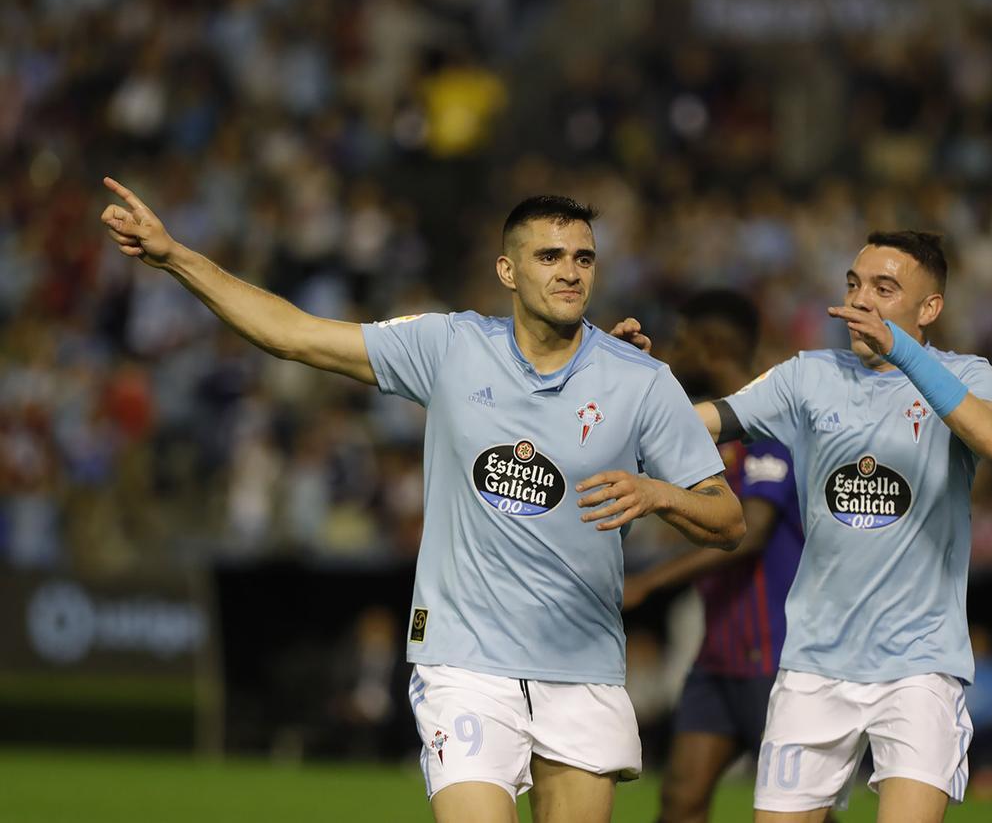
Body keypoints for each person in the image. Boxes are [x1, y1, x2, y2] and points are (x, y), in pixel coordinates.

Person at [99, 179, 745, 823]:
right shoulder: (449, 347)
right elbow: (295, 334)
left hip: (582, 664)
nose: (570, 272)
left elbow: (727, 520)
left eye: (583, 258)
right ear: (507, 270)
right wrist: (176, 257)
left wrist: (657, 492)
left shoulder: (639, 380)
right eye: (549, 256)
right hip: (464, 664)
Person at [693, 231, 992, 822]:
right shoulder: (809, 375)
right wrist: (620, 393)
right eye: (854, 284)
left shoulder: (966, 373)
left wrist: (903, 353)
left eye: (884, 288)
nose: (861, 299)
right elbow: (707, 420)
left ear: (930, 309)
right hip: (815, 663)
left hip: (919, 665)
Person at [622, 289, 806, 823]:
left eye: (683, 342)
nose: (675, 354)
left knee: (797, 810)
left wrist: (651, 583)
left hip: (775, 652)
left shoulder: (774, 423)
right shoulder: (709, 433)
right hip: (720, 649)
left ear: (711, 345)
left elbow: (750, 534)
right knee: (681, 799)